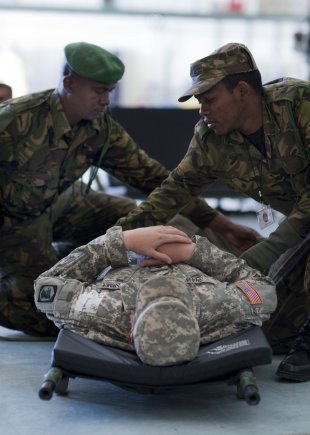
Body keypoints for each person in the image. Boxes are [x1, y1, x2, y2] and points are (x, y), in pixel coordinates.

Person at [0, 41, 256, 338]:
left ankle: (65, 258)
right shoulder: (14, 122)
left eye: (109, 91)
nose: (106, 100)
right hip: (13, 221)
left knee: (143, 221)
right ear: (69, 84)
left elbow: (153, 179)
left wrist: (221, 226)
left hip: (60, 203)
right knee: (47, 311)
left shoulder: (99, 127)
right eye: (99, 91)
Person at [116, 42, 310, 380]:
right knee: (272, 325)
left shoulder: (299, 105)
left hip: (299, 224)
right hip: (301, 227)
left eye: (209, 99)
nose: (203, 109)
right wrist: (113, 242)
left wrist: (268, 251)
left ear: (242, 91)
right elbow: (172, 192)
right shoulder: (211, 138)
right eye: (199, 101)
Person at [34, 225, 277, 366]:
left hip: (127, 252)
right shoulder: (219, 306)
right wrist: (195, 253)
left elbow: (47, 284)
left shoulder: (103, 310)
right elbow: (262, 286)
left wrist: (120, 242)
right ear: (196, 319)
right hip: (185, 245)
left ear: (129, 328)